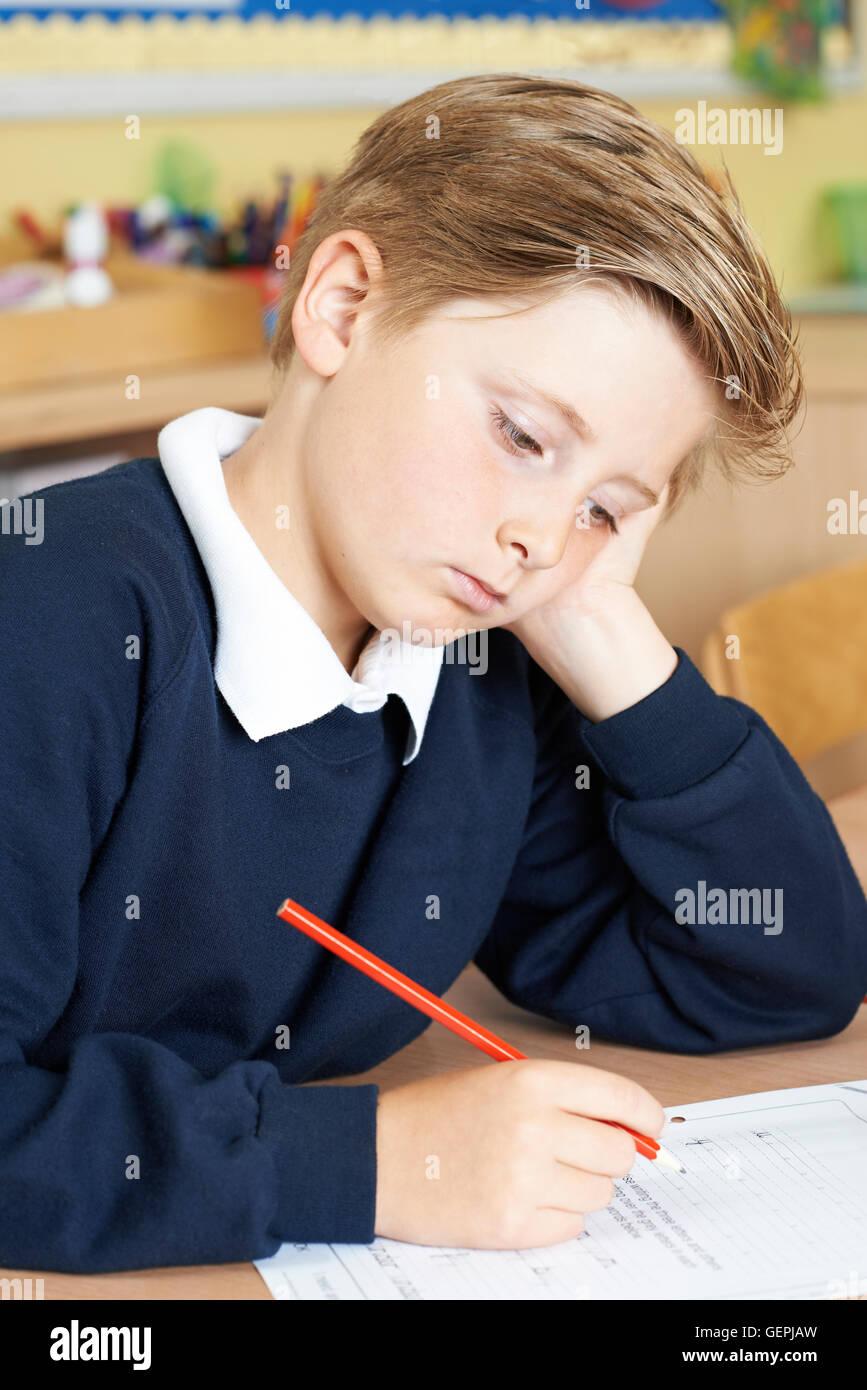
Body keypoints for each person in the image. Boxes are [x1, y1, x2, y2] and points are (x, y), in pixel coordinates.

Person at [1, 74, 865, 1274]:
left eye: (608, 509)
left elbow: (781, 973)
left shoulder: (471, 673)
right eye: (522, 437)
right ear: (345, 308)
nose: (541, 541)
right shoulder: (50, 623)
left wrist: (620, 659)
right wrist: (378, 1162)